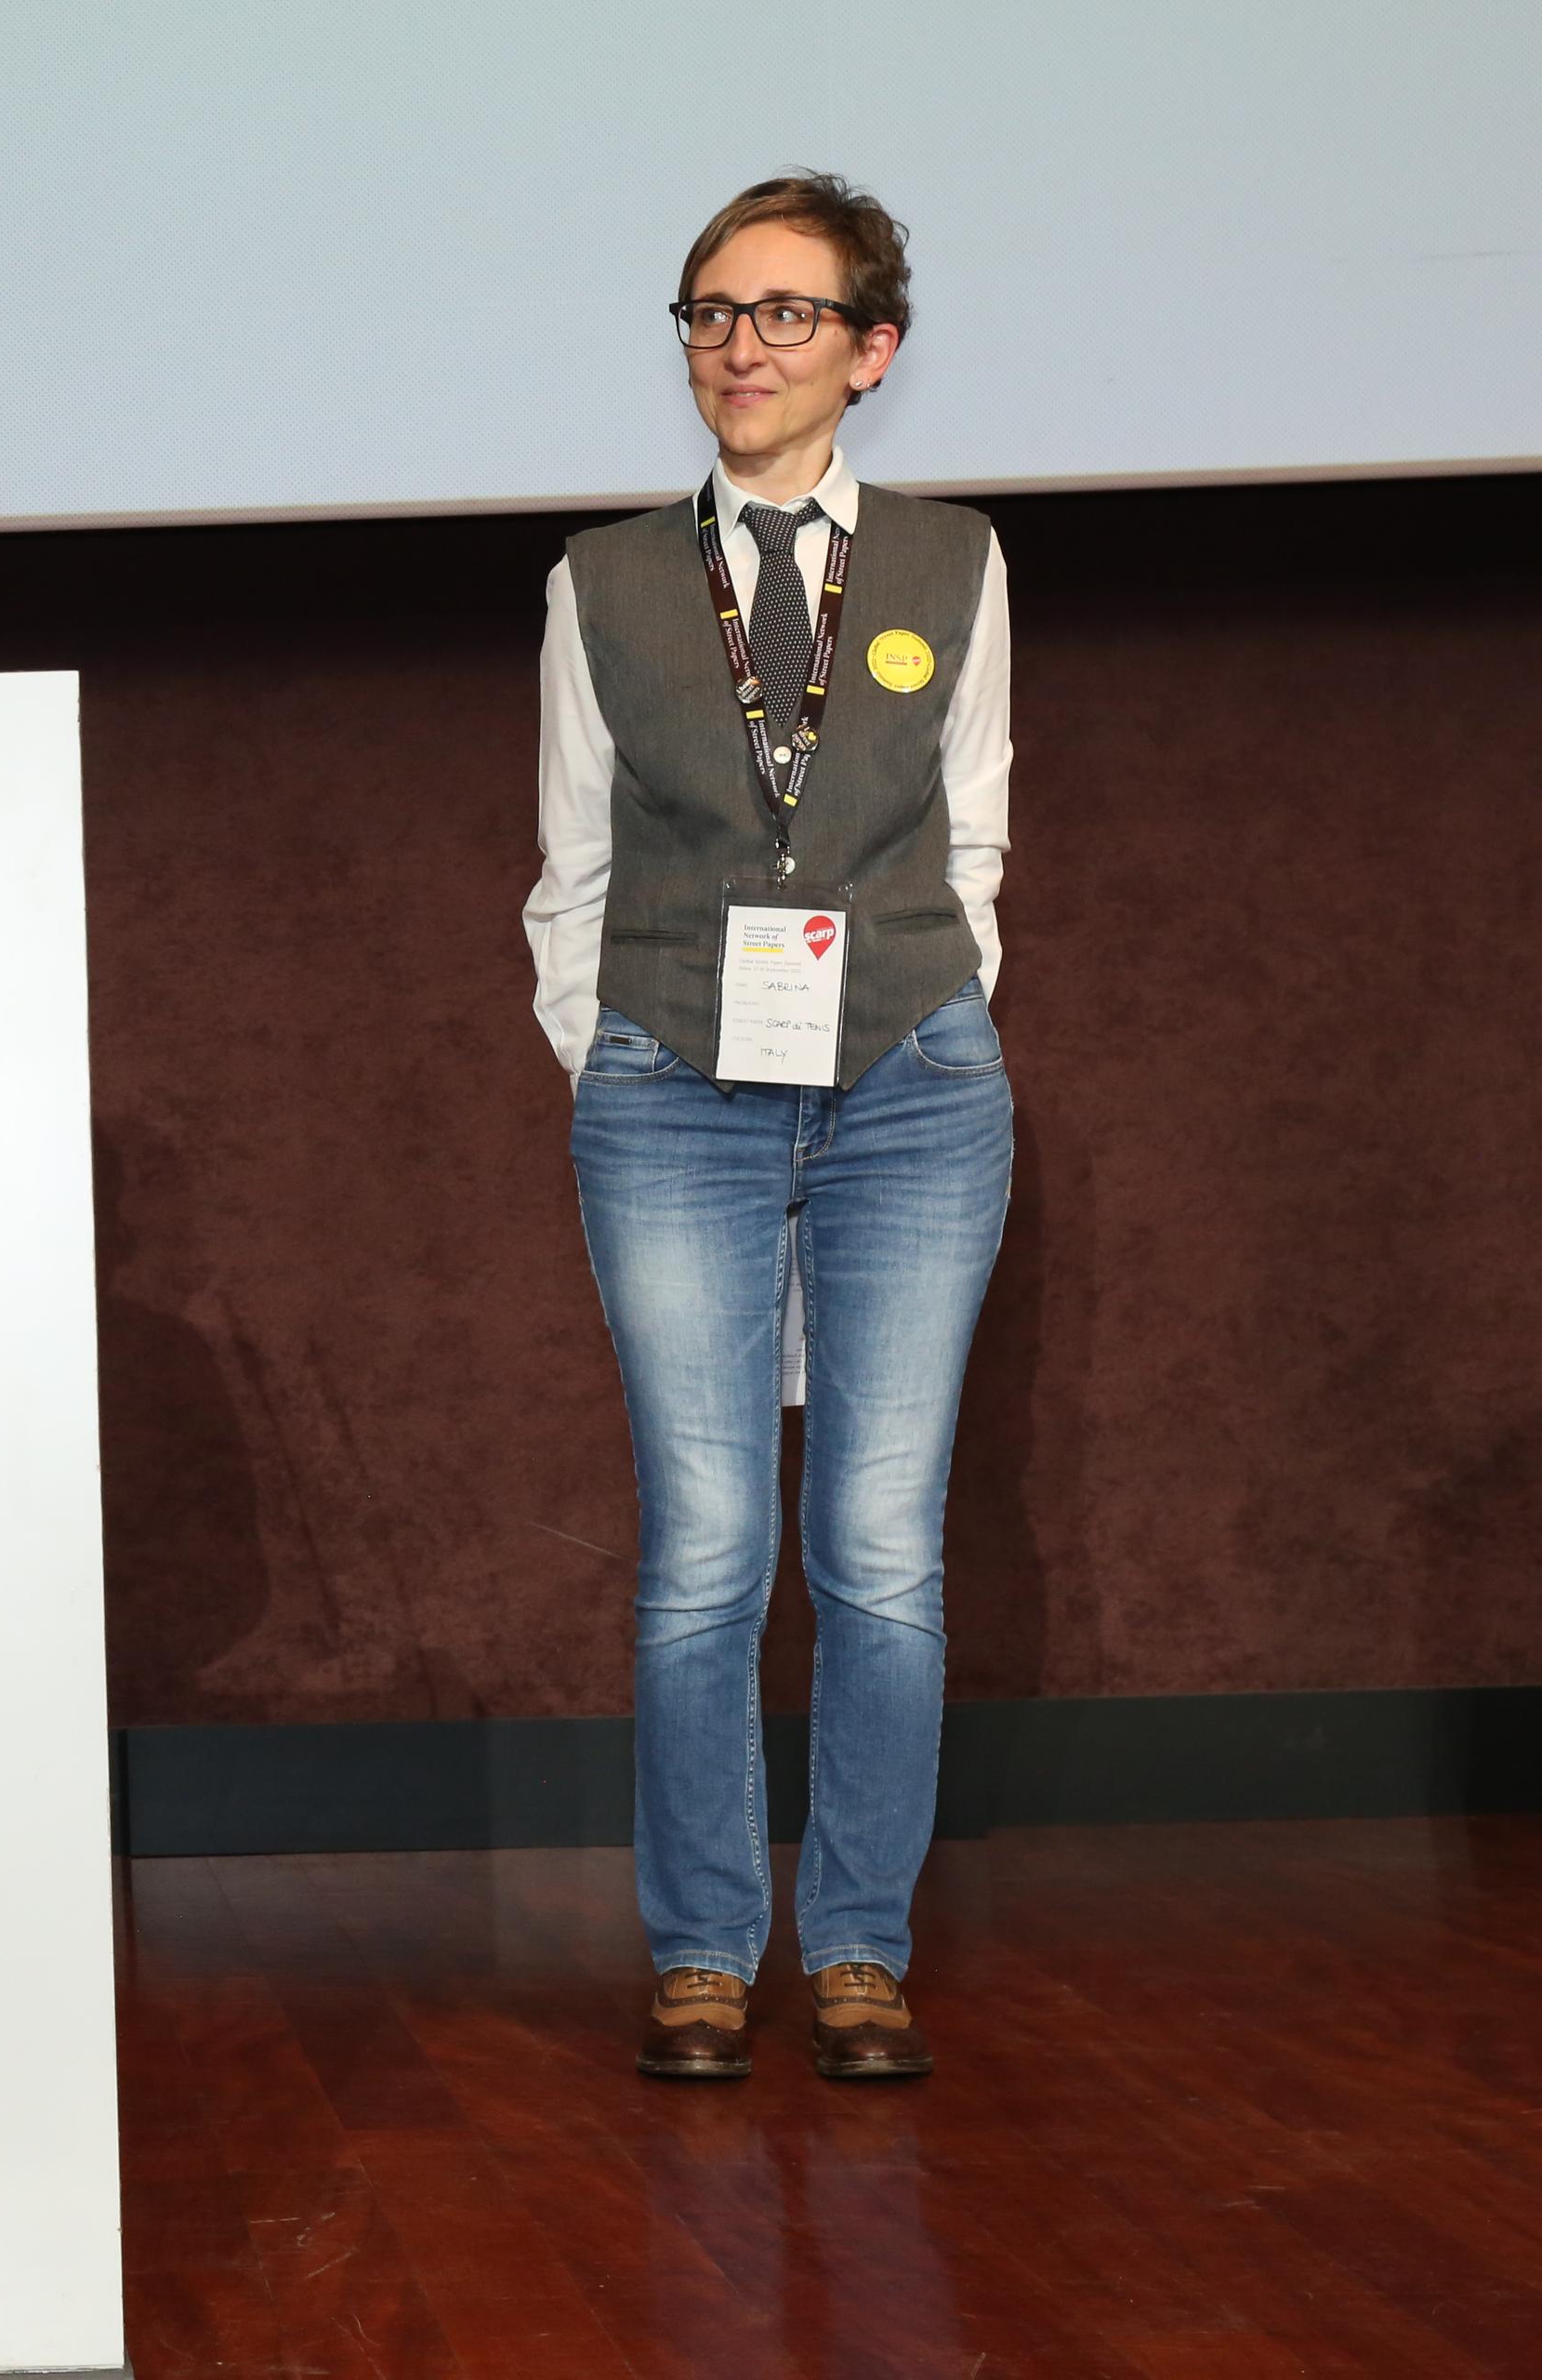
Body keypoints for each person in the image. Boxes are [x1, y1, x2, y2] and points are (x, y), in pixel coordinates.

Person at [521, 174, 1015, 2082]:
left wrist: (930, 1010)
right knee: (706, 1544)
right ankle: (708, 1944)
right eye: (710, 312)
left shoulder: (958, 562)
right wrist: (621, 1056)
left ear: (869, 352)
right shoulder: (605, 580)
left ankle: (866, 1945)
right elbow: (571, 869)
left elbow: (972, 839)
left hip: (910, 1086)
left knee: (882, 1544)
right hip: (673, 1089)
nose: (739, 346)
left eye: (783, 314)